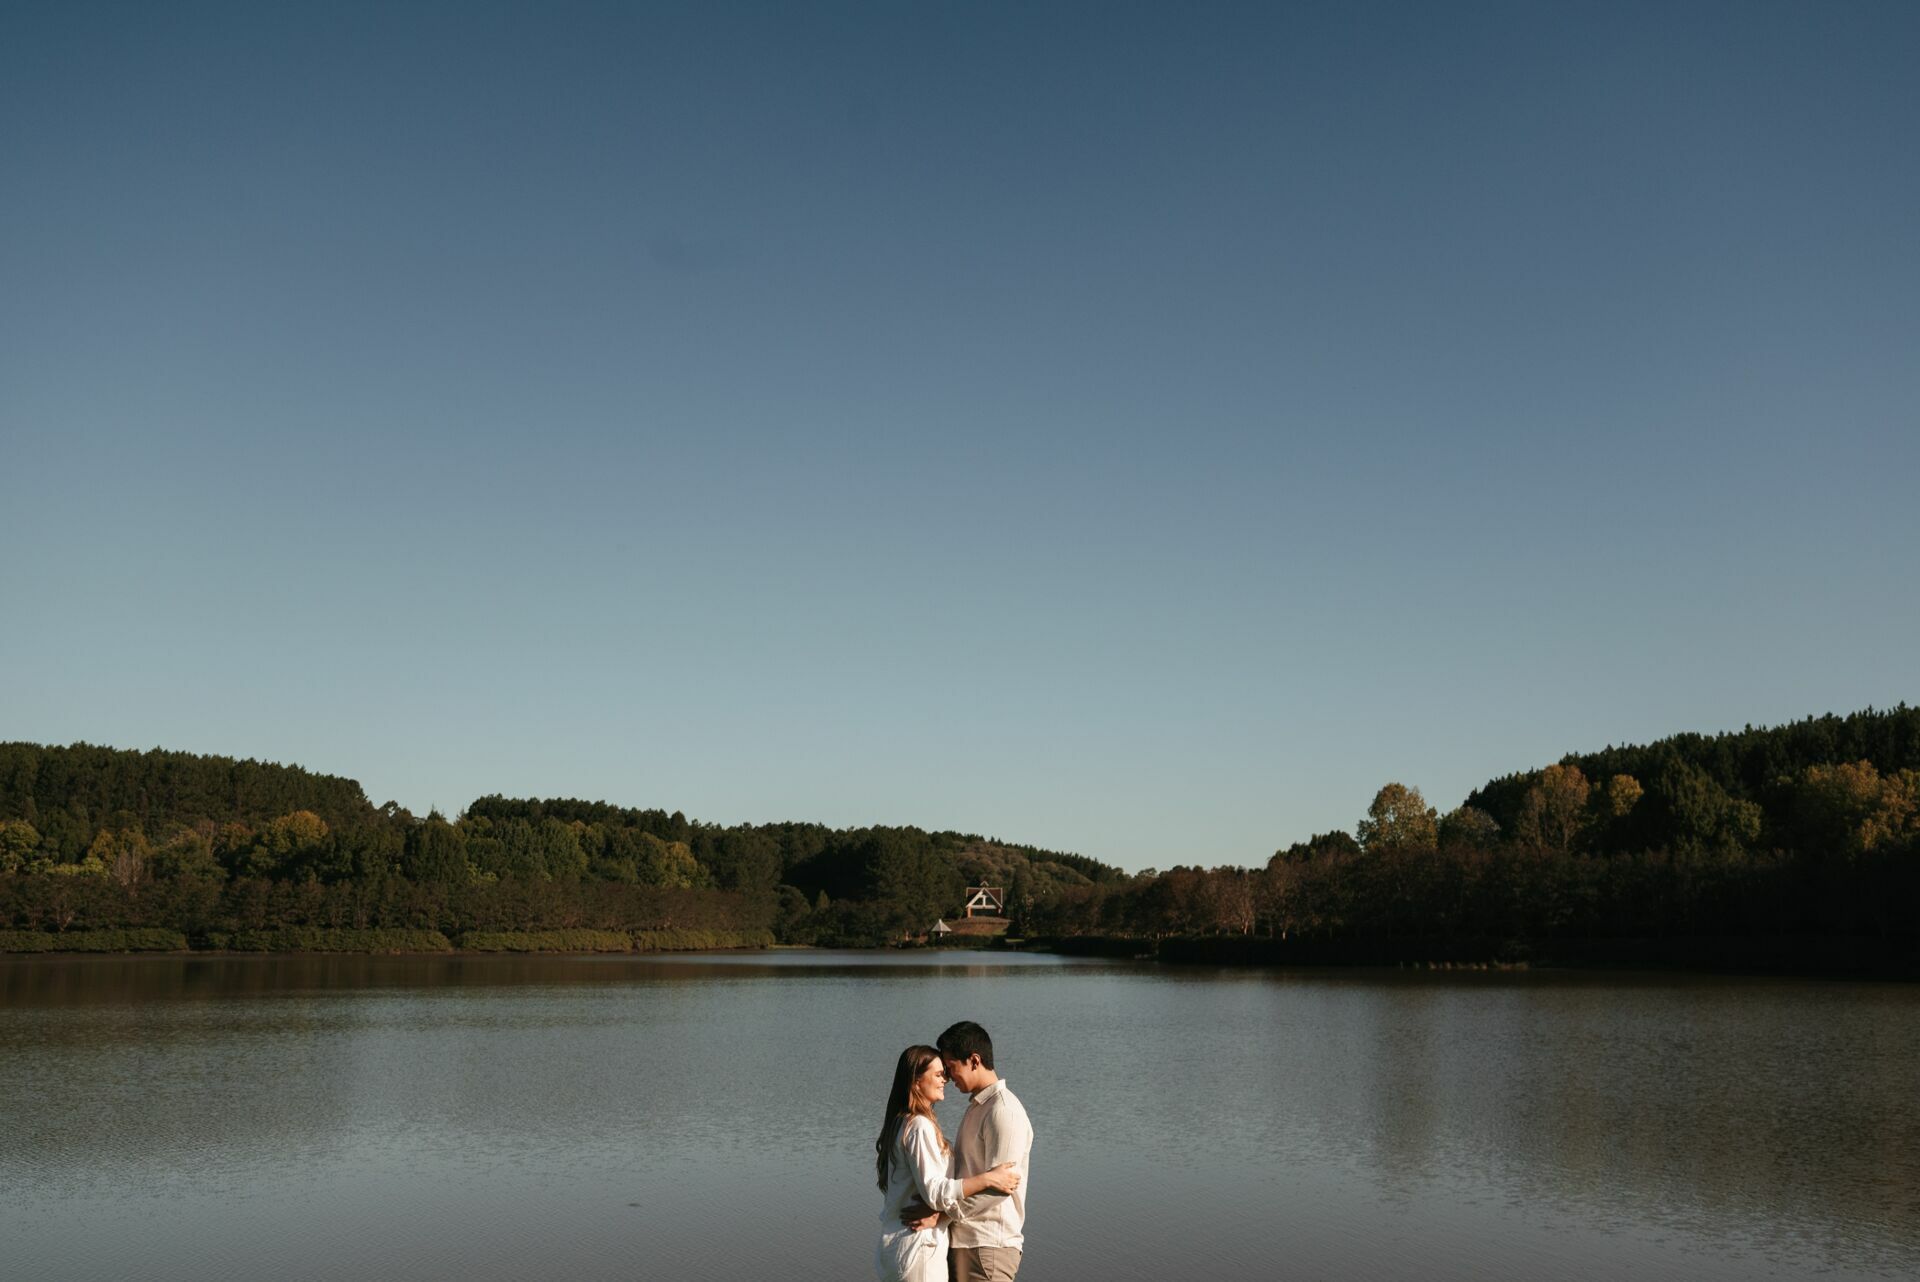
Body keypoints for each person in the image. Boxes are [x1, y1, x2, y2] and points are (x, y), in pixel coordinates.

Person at [874, 1044, 1022, 1282]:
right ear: (915, 1082)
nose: (946, 1079)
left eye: (946, 1071)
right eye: (938, 1074)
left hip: (903, 1246)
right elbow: (935, 1192)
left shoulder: (901, 1123)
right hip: (918, 1249)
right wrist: (988, 1178)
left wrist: (943, 1216)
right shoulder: (919, 1126)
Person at [933, 1020, 1035, 1282]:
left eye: (951, 1067)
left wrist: (942, 1215)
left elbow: (1000, 1187)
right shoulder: (979, 1107)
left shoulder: (1004, 1111)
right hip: (969, 1244)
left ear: (974, 1060)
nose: (946, 1075)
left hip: (988, 1247)